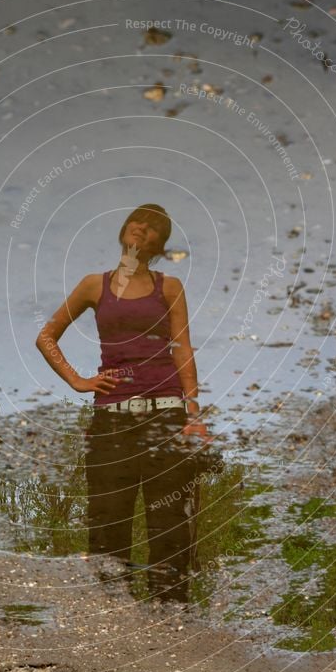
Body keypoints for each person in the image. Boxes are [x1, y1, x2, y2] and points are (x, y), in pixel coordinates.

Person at [36, 204, 216, 600]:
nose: (144, 228)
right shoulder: (92, 285)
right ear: (123, 229)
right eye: (139, 221)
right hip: (111, 421)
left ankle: (171, 623)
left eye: (155, 228)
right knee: (106, 524)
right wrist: (79, 381)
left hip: (165, 417)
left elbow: (182, 348)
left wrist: (193, 414)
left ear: (160, 244)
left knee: (170, 524)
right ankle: (112, 623)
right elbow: (46, 337)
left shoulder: (168, 287)